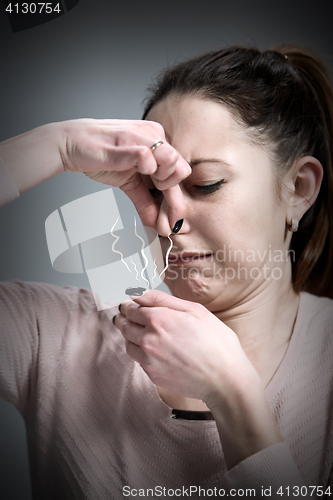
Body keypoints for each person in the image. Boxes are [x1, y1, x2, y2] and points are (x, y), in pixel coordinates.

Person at [0, 44, 333, 499]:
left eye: (205, 185)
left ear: (298, 189)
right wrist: (53, 146)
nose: (165, 220)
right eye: (155, 193)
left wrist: (233, 397)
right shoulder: (51, 335)